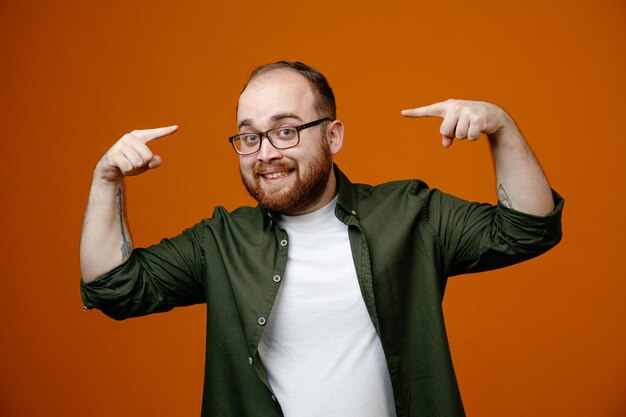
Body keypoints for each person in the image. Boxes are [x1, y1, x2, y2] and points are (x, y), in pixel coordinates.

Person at [80, 61, 563, 417]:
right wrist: (106, 180)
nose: (265, 153)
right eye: (249, 137)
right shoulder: (221, 240)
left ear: (332, 136)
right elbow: (113, 288)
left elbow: (528, 230)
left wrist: (500, 125)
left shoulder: (410, 214)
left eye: (285, 131)